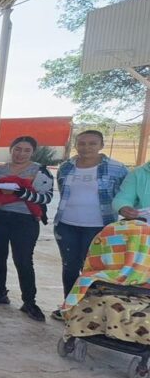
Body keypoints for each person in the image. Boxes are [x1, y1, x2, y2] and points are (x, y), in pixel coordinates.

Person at [52, 130, 127, 320]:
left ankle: (93, 313)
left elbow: (124, 195)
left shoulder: (117, 168)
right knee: (70, 267)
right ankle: (70, 308)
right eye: (82, 143)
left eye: (92, 143)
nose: (86, 148)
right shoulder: (66, 167)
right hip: (67, 225)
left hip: (99, 228)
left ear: (101, 145)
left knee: (94, 270)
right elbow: (63, 191)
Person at [0, 136, 54, 321]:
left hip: (25, 220)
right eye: (17, 149)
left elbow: (46, 198)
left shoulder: (40, 171)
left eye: (27, 150)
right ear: (11, 149)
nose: (21, 153)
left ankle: (29, 301)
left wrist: (21, 192)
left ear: (33, 152)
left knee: (23, 260)